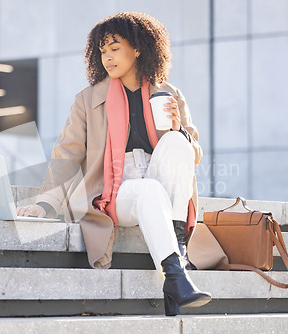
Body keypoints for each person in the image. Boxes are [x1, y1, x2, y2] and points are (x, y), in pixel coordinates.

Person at [17, 12, 211, 316]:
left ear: (137, 48)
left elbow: (193, 156)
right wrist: (45, 203)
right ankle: (177, 268)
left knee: (176, 144)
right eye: (102, 50)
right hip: (112, 191)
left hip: (162, 182)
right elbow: (67, 155)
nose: (107, 56)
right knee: (147, 191)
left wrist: (178, 130)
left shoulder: (170, 94)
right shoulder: (88, 99)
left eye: (114, 48)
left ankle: (175, 268)